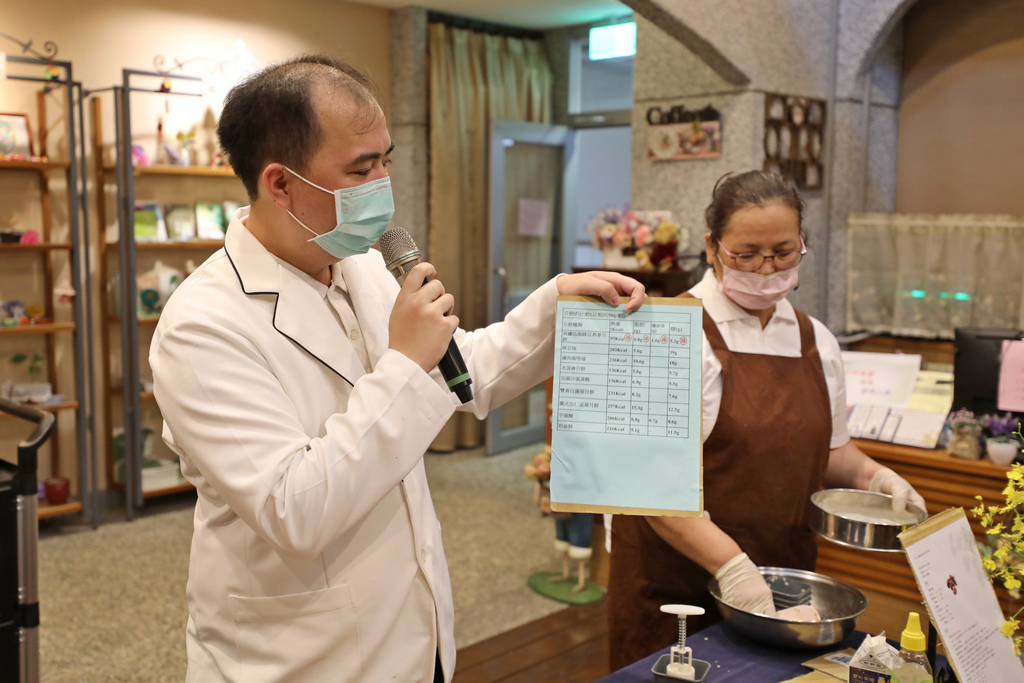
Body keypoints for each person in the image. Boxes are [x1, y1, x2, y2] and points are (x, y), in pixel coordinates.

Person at [149, 54, 644, 683]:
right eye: (361, 169)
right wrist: (407, 361)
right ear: (280, 183)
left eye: (387, 161)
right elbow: (292, 512)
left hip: (413, 634)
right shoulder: (203, 325)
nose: (383, 184)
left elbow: (458, 375)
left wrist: (553, 307)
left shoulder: (357, 263)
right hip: (298, 658)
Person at [606, 170, 926, 669]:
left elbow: (829, 449)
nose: (765, 268)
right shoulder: (665, 333)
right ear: (712, 247)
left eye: (783, 252)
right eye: (746, 253)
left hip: (783, 579)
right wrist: (733, 570)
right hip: (676, 587)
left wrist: (877, 478)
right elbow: (650, 487)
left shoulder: (814, 337)